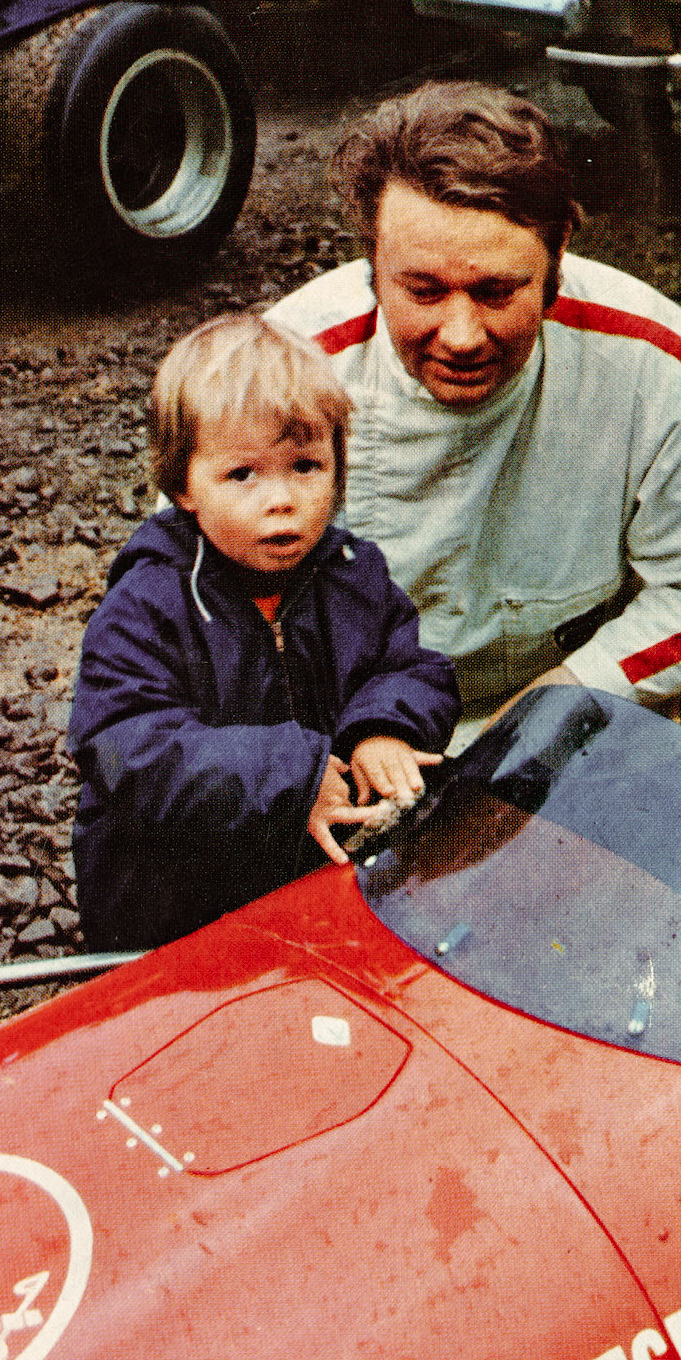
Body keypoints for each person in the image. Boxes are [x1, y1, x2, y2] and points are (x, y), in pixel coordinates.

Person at [269, 84, 681, 730]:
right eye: (422, 291)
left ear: (559, 250)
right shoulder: (284, 374)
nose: (459, 335)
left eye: (495, 292)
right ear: (371, 258)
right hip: (345, 731)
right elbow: (196, 604)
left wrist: (550, 709)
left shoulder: (660, 367)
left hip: (573, 711)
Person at [69, 315, 461, 950]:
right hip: (175, 901)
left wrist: (383, 729)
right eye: (243, 475)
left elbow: (412, 667)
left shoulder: (353, 576)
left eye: (305, 467)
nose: (282, 499)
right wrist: (290, 776)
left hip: (316, 877)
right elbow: (122, 744)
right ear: (181, 487)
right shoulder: (151, 601)